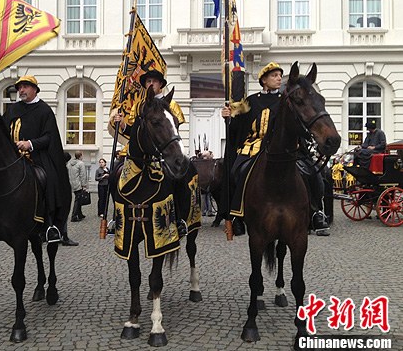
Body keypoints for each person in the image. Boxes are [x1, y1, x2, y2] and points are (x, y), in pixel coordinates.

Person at [221, 62, 330, 236]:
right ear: (264, 80)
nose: (279, 78)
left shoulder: (285, 100)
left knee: (313, 173)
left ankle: (316, 211)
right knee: (238, 172)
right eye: (274, 75)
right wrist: (228, 117)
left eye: (280, 75)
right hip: (254, 146)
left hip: (284, 147)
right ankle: (238, 215)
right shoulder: (249, 101)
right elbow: (237, 126)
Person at [112, 70, 200, 237]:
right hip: (138, 154)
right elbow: (134, 131)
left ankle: (179, 218)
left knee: (179, 178)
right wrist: (123, 125)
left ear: (161, 85)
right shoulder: (139, 106)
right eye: (147, 81)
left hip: (163, 153)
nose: (150, 84)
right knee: (114, 175)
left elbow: (172, 131)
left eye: (154, 81)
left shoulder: (170, 104)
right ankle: (117, 218)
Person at [3, 75, 77, 246]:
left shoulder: (43, 110)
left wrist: (30, 144)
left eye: (25, 87)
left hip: (36, 158)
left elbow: (49, 137)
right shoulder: (13, 109)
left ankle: (51, 226)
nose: (21, 90)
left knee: (50, 181)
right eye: (19, 87)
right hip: (13, 158)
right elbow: (1, 127)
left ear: (34, 89)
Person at [67, 151, 88, 222]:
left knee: (78, 199)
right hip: (78, 184)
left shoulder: (70, 163)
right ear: (80, 156)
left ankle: (80, 214)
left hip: (72, 183)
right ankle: (74, 216)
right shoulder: (81, 164)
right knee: (78, 200)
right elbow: (83, 175)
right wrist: (84, 185)